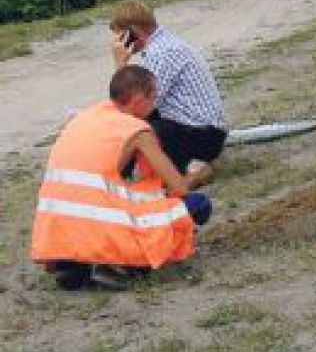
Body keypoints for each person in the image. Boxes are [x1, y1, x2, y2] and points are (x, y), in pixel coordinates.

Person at [31, 66, 213, 290]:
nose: (155, 105)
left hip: (57, 229)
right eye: (153, 97)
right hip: (100, 221)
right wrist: (198, 173)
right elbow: (179, 187)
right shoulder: (137, 130)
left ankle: (73, 262)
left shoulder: (83, 117)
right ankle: (123, 265)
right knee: (198, 205)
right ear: (138, 100)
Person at [110, 0, 226, 185]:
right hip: (197, 129)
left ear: (133, 32)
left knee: (134, 128)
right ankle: (126, 174)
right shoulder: (163, 45)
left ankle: (118, 178)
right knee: (134, 124)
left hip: (203, 135)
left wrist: (121, 65)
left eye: (119, 35)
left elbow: (133, 105)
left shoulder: (161, 53)